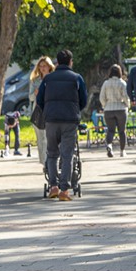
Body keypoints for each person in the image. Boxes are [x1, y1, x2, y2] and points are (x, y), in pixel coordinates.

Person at [37, 49, 88, 201]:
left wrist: (48, 111)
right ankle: (64, 190)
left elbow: (39, 100)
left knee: (52, 153)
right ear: (70, 62)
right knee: (67, 155)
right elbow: (83, 99)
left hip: (51, 120)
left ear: (57, 63)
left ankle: (53, 186)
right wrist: (75, 110)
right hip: (69, 121)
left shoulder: (47, 79)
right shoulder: (77, 78)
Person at [29, 56, 54, 165]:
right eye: (41, 66)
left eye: (45, 66)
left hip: (51, 110)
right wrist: (35, 94)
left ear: (49, 67)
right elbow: (30, 98)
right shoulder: (35, 81)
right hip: (38, 110)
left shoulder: (54, 79)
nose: (43, 68)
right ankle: (43, 162)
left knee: (49, 137)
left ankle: (50, 160)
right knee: (41, 138)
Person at [100, 64, 129, 158]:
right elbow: (125, 97)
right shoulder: (122, 83)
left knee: (111, 130)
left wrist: (105, 105)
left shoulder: (106, 83)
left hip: (109, 109)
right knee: (122, 131)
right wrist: (127, 105)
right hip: (121, 109)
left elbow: (102, 97)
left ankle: (109, 145)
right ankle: (122, 151)